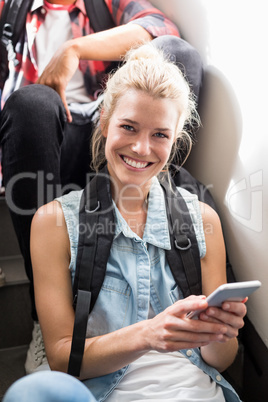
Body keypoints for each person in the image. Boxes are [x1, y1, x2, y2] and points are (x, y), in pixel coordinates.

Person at [3, 42, 245, 402]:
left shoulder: (204, 220)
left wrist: (220, 333)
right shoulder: (52, 222)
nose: (141, 148)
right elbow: (63, 357)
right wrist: (149, 334)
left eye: (160, 134)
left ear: (176, 138)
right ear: (104, 122)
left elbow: (221, 360)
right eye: (129, 127)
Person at [0, 0, 203, 374]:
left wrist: (74, 48)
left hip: (111, 125)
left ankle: (169, 250)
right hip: (48, 138)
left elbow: (160, 28)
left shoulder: (105, 4)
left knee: (177, 54)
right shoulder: (10, 9)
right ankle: (47, 318)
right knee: (31, 101)